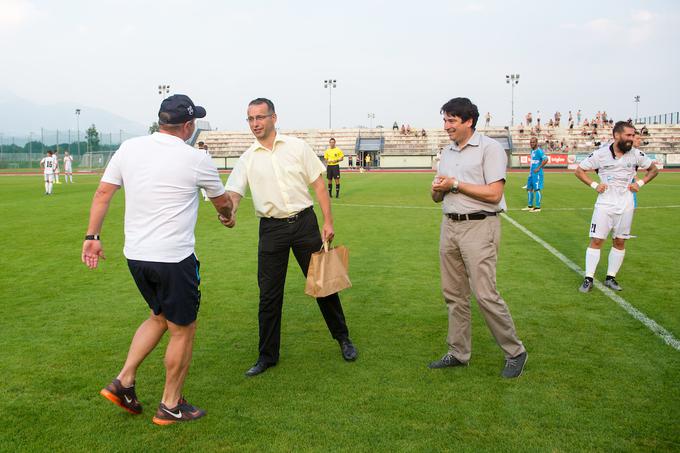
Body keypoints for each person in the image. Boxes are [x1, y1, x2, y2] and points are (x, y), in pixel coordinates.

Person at [82, 94, 233, 425]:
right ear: (189, 126)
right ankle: (170, 405)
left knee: (158, 316)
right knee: (183, 329)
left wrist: (92, 237)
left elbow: (102, 194)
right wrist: (228, 216)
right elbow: (222, 202)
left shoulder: (129, 148)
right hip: (174, 259)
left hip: (136, 256)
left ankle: (124, 381)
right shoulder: (196, 159)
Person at [222, 98, 357, 378]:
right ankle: (267, 355)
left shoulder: (297, 147)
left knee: (324, 285)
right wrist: (230, 210)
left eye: (260, 117)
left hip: (304, 223)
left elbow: (319, 185)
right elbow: (234, 191)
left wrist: (328, 221)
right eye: (250, 119)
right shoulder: (248, 157)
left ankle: (343, 338)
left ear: (274, 117)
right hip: (271, 230)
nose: (255, 123)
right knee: (269, 295)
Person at [429, 97, 527, 379]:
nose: (446, 126)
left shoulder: (490, 149)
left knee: (485, 294)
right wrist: (438, 189)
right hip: (450, 225)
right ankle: (458, 352)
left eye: (451, 121)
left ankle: (515, 352)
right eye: (445, 120)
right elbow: (437, 197)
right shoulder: (446, 152)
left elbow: (495, 194)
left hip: (480, 226)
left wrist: (455, 184)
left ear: (468, 121)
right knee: (453, 294)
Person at [575, 121, 658, 293]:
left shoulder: (636, 154)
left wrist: (641, 183)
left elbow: (653, 169)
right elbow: (579, 170)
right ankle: (588, 278)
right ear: (616, 135)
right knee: (597, 240)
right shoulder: (600, 154)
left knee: (620, 241)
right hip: (605, 204)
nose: (632, 138)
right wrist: (594, 185)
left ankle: (610, 278)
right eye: (628, 135)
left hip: (626, 204)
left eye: (633, 135)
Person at [522, 137, 548, 212]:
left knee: (537, 189)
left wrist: (538, 168)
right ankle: (530, 206)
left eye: (533, 142)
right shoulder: (532, 151)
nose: (531, 144)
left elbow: (546, 159)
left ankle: (537, 207)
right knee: (529, 189)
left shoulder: (539, 151)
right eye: (530, 142)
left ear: (536, 143)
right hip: (531, 173)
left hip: (537, 173)